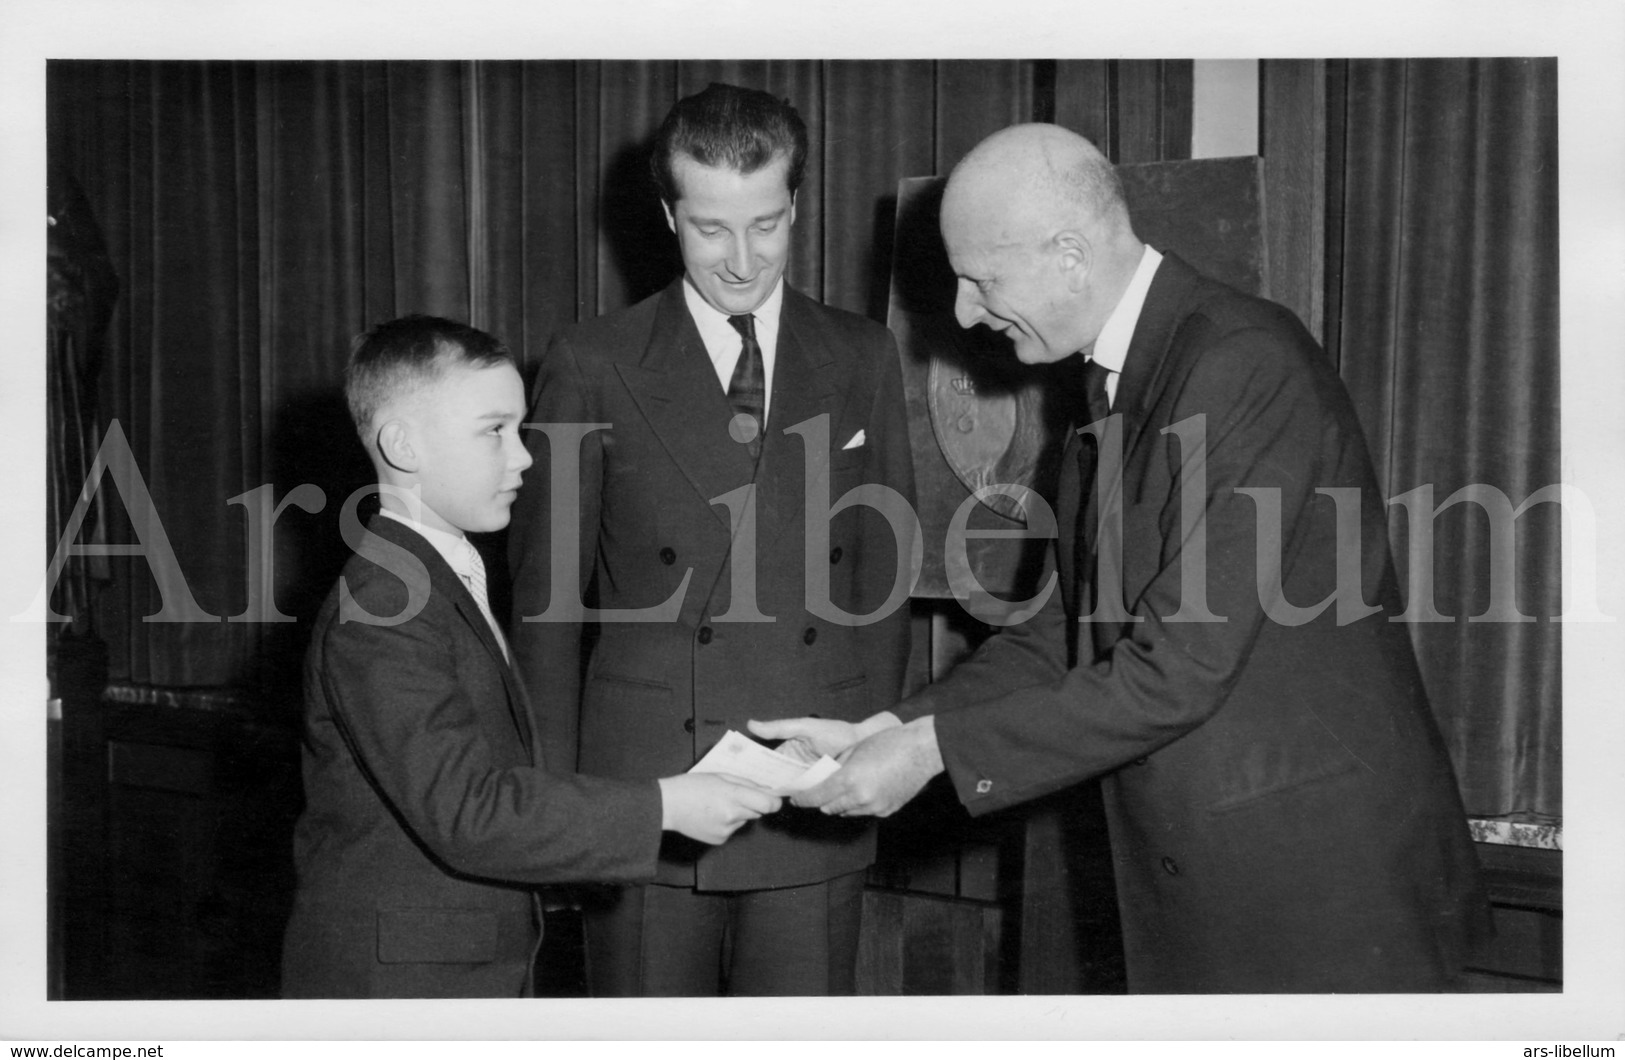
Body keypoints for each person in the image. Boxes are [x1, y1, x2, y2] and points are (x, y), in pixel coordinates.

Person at [755, 124, 1490, 993]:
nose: (961, 314)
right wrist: (896, 730)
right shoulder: (1111, 381)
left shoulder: (1237, 362)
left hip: (1316, 891)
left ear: (1069, 254)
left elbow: (1176, 670)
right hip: (1213, 879)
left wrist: (929, 756)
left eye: (981, 280)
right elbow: (1061, 629)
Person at [507, 83, 915, 997]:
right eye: (709, 229)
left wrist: (868, 749)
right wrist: (557, 808)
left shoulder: (861, 355)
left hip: (810, 789)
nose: (740, 260)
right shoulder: (593, 361)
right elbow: (545, 609)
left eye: (765, 225)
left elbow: (883, 582)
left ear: (797, 205)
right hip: (648, 787)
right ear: (667, 215)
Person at [281, 315, 779, 999]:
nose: (522, 457)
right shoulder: (383, 608)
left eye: (519, 430)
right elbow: (468, 812)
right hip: (401, 989)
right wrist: (663, 807)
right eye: (494, 431)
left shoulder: (427, 576)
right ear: (402, 444)